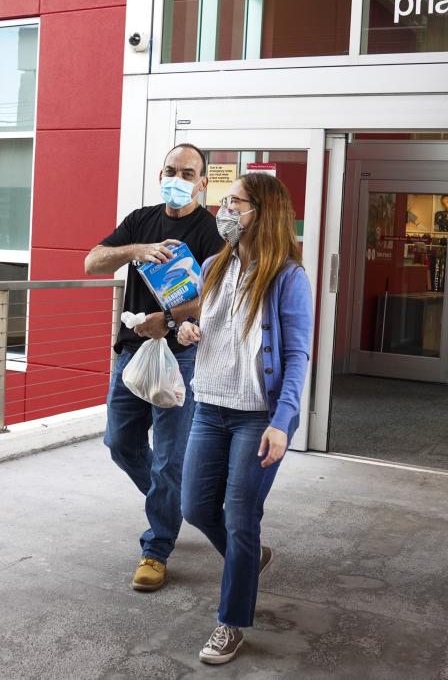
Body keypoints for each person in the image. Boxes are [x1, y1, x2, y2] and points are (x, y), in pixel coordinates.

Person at [176, 173, 313, 665]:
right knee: (194, 507)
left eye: (235, 202)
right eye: (225, 200)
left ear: (263, 212)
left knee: (240, 518)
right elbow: (198, 322)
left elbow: (297, 356)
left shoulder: (288, 277)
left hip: (258, 416)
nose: (224, 210)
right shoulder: (213, 264)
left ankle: (230, 622)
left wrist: (284, 420)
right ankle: (251, 557)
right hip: (209, 407)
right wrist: (187, 329)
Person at [84, 144, 223, 592]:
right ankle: (171, 504)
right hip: (131, 351)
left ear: (203, 181)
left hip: (180, 354)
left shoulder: (211, 232)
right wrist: (136, 250)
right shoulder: (141, 221)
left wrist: (165, 320)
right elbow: (91, 261)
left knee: (168, 457)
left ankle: (156, 548)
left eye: (188, 173)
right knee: (119, 440)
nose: (177, 179)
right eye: (170, 170)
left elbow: (217, 296)